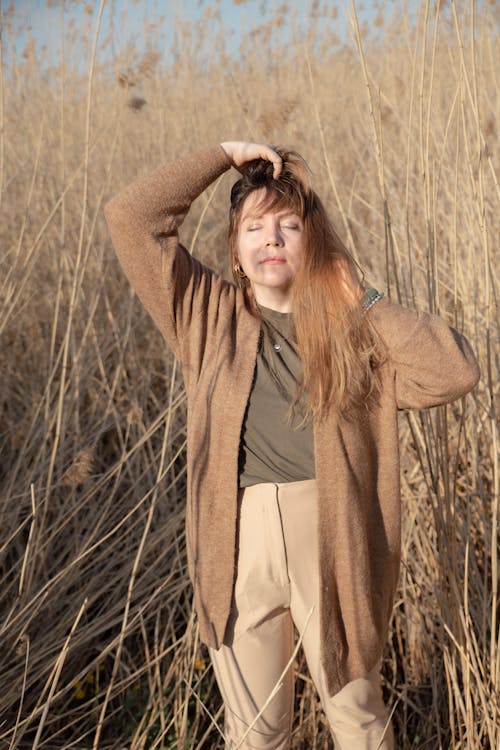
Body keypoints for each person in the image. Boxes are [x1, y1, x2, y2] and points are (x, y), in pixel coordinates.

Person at [104, 141, 480, 749]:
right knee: (255, 734)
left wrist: (362, 297)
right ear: (236, 248)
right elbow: (130, 216)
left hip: (333, 538)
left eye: (288, 225)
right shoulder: (204, 314)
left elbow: (454, 372)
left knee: (356, 719)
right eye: (255, 227)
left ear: (314, 243)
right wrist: (224, 154)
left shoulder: (350, 333)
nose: (271, 238)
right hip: (236, 542)